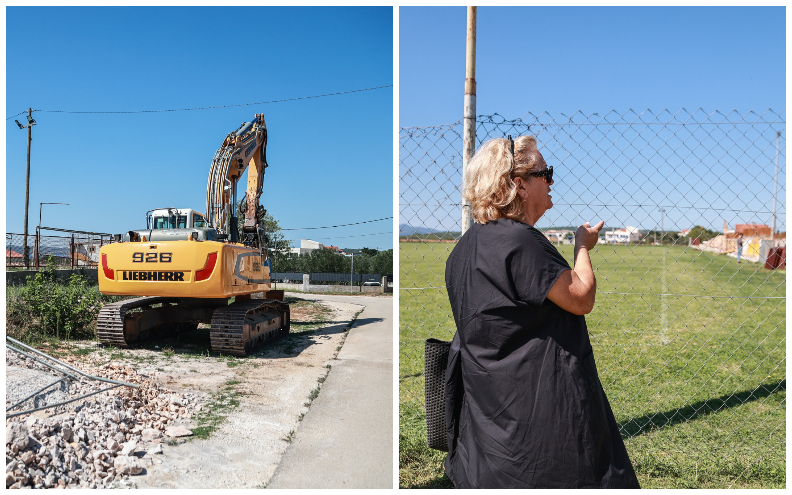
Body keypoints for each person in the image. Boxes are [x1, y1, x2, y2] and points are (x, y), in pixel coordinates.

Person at [444, 135, 640, 489]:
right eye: (545, 173)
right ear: (518, 185)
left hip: (489, 419)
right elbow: (581, 297)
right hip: (542, 422)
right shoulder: (521, 242)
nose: (551, 181)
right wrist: (582, 246)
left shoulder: (463, 248)